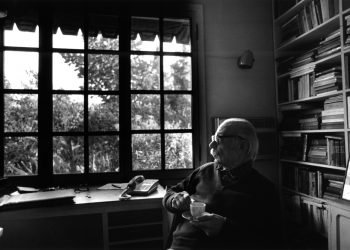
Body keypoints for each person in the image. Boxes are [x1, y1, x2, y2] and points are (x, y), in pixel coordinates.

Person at [163, 118, 281, 250]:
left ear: (243, 146)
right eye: (213, 138)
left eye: (219, 140)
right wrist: (175, 200)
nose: (211, 145)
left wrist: (224, 227)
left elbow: (270, 241)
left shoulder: (264, 190)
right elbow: (171, 192)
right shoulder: (204, 171)